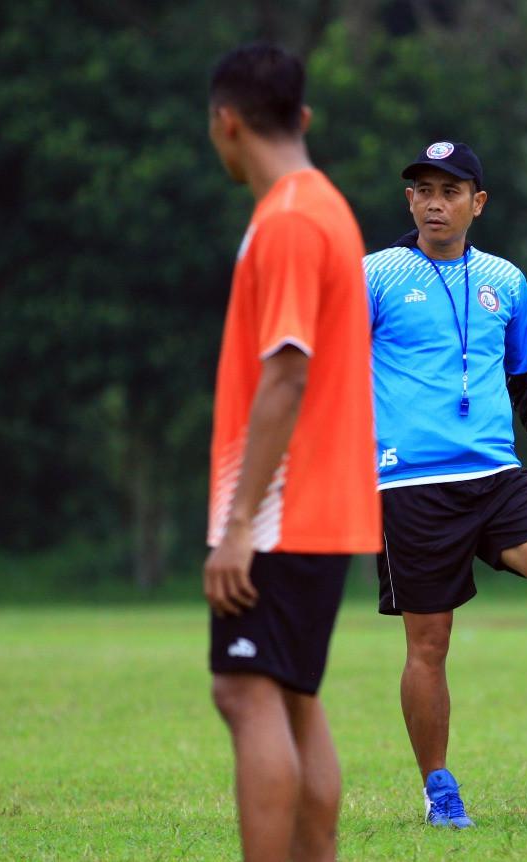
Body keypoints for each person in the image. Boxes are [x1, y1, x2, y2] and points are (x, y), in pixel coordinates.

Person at [363, 140, 527, 829]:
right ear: (409, 200)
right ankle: (439, 788)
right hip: (411, 484)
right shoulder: (376, 275)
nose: (434, 203)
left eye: (450, 192)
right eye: (423, 191)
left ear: (477, 203)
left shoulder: (505, 279)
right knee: (429, 644)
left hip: (496, 473)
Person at [203, 43, 380, 861]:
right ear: (302, 117)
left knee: (246, 692)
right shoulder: (326, 208)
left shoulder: (287, 221)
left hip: (283, 508)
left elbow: (286, 373)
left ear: (226, 123)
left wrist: (240, 522)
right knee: (294, 697)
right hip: (322, 502)